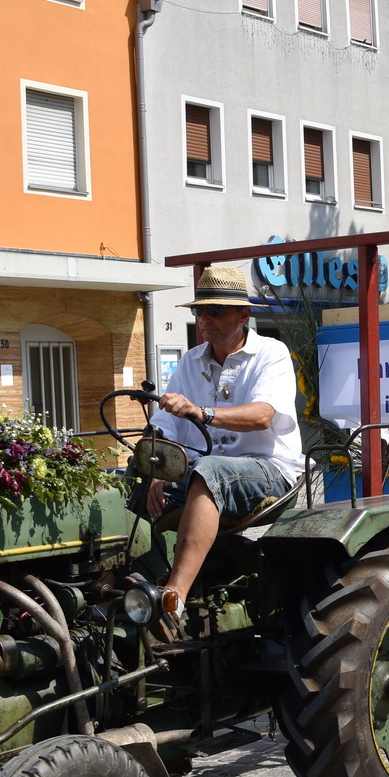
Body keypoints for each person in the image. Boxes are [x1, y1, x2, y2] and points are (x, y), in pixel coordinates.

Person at [143, 266, 304, 629]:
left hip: (269, 470)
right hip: (207, 471)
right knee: (128, 482)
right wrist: (155, 467)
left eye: (215, 310)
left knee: (208, 470)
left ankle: (172, 600)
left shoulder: (271, 354)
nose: (204, 319)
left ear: (244, 314)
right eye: (199, 311)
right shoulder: (191, 360)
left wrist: (203, 412)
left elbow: (263, 416)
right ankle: (121, 589)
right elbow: (162, 428)